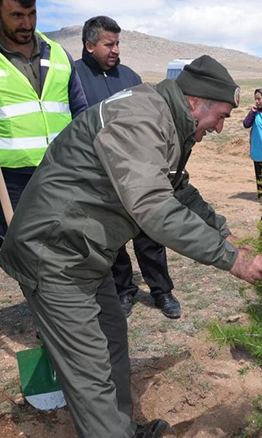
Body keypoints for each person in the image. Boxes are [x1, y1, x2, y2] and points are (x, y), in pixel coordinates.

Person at [0, 55, 262, 438]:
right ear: (197, 101)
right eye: (222, 117)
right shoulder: (141, 118)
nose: (219, 128)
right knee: (90, 373)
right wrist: (230, 259)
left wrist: (223, 233)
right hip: (54, 254)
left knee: (112, 343)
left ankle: (122, 430)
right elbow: (154, 208)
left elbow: (177, 188)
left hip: (87, 253)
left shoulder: (170, 121)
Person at [75, 16, 179, 319]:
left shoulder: (130, 77)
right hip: (101, 173)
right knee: (113, 237)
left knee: (150, 233)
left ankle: (162, 291)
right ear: (89, 45)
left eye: (118, 43)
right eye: (109, 44)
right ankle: (124, 290)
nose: (116, 50)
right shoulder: (75, 77)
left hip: (137, 170)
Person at [0, 0, 87, 250]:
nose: (27, 24)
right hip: (12, 179)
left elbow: (80, 113)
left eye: (32, 13)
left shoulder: (58, 53)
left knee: (70, 245)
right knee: (27, 253)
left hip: (62, 171)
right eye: (17, 15)